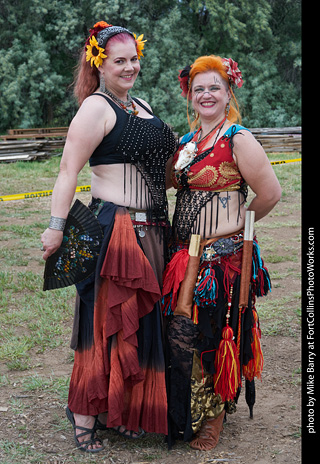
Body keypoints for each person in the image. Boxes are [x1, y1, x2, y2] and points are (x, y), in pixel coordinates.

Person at [41, 20, 177, 453]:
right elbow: (68, 171)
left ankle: (121, 410)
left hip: (155, 228)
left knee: (139, 324)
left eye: (134, 59)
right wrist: (56, 226)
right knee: (104, 323)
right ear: (100, 65)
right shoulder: (95, 109)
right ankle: (84, 416)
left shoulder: (143, 104)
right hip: (115, 230)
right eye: (119, 61)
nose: (129, 67)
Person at [162, 55, 281, 451]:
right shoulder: (186, 142)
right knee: (181, 332)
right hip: (184, 255)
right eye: (199, 89)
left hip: (222, 259)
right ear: (191, 98)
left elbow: (270, 194)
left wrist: (235, 226)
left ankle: (214, 416)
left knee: (211, 334)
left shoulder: (238, 138)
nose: (206, 94)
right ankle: (188, 407)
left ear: (228, 92)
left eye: (214, 87)